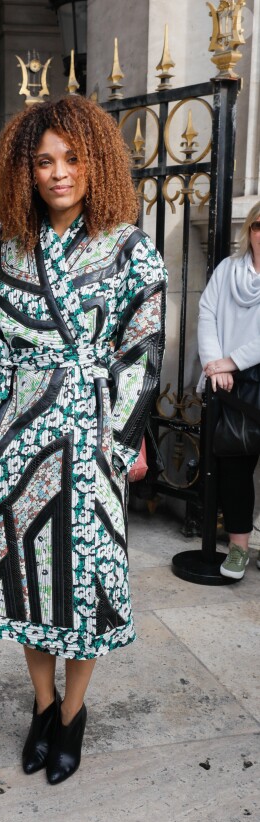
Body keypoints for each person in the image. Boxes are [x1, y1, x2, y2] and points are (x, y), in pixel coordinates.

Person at [0, 96, 166, 785]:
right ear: (24, 170)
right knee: (24, 577)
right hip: (13, 435)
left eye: (72, 159)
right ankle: (43, 705)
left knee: (85, 582)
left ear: (97, 163)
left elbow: (143, 348)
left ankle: (75, 715)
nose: (58, 173)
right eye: (44, 161)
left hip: (88, 436)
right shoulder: (4, 248)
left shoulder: (131, 250)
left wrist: (118, 441)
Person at [198, 200, 260, 580]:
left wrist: (230, 360)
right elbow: (207, 314)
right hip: (234, 387)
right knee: (235, 468)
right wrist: (214, 361)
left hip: (241, 371)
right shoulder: (228, 271)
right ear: (250, 229)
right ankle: (238, 549)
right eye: (259, 224)